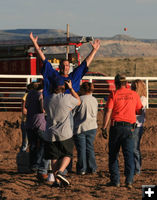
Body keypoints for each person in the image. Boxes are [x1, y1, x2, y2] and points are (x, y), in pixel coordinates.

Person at [102, 74, 143, 189]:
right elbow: (139, 111)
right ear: (126, 83)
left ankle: (116, 180)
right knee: (128, 154)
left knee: (113, 155)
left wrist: (104, 127)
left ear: (116, 83)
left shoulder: (114, 94)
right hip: (130, 128)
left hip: (116, 127)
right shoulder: (134, 94)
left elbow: (108, 111)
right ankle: (129, 181)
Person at [29, 32, 100, 97]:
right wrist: (35, 43)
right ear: (59, 67)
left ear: (69, 67)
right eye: (63, 66)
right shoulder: (54, 75)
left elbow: (85, 64)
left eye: (67, 65)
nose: (65, 67)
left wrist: (94, 50)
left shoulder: (74, 77)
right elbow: (44, 59)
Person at [43, 79, 81, 187]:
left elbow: (45, 109)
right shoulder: (67, 98)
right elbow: (78, 101)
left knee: (54, 157)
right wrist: (71, 88)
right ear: (63, 87)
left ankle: (56, 181)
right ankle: (61, 171)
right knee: (67, 154)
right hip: (64, 133)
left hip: (50, 133)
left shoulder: (47, 99)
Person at [73, 82, 98, 175]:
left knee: (81, 149)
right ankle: (92, 167)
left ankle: (82, 168)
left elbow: (73, 114)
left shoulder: (79, 100)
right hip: (92, 126)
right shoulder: (94, 100)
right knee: (90, 147)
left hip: (80, 127)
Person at [25, 81, 48, 175]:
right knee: (44, 144)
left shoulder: (29, 95)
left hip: (30, 123)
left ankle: (33, 165)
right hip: (40, 123)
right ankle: (38, 164)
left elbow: (26, 106)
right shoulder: (40, 95)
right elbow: (42, 109)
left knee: (33, 146)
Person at [131, 79, 147, 175]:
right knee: (132, 148)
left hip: (137, 125)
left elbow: (137, 110)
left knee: (135, 148)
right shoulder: (136, 97)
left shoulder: (142, 98)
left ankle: (137, 169)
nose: (131, 88)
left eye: (133, 87)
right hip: (133, 124)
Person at [20, 83, 33, 152]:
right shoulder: (26, 96)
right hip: (26, 121)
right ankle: (22, 157)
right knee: (25, 143)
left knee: (27, 142)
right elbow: (24, 111)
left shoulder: (28, 96)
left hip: (29, 122)